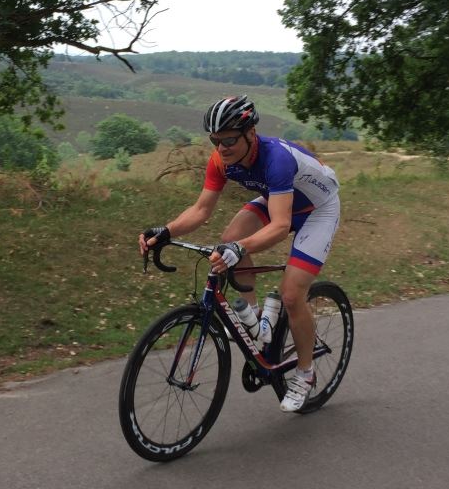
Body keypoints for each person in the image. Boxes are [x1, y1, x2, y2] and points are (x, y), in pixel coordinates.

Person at [138, 95, 340, 412]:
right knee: (230, 237)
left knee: (291, 295)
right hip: (279, 198)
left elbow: (280, 225)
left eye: (229, 140)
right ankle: (257, 320)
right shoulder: (221, 161)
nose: (222, 148)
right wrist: (166, 231)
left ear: (251, 133)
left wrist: (241, 248)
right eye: (215, 140)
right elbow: (201, 209)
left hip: (318, 210)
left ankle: (305, 373)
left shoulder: (276, 159)